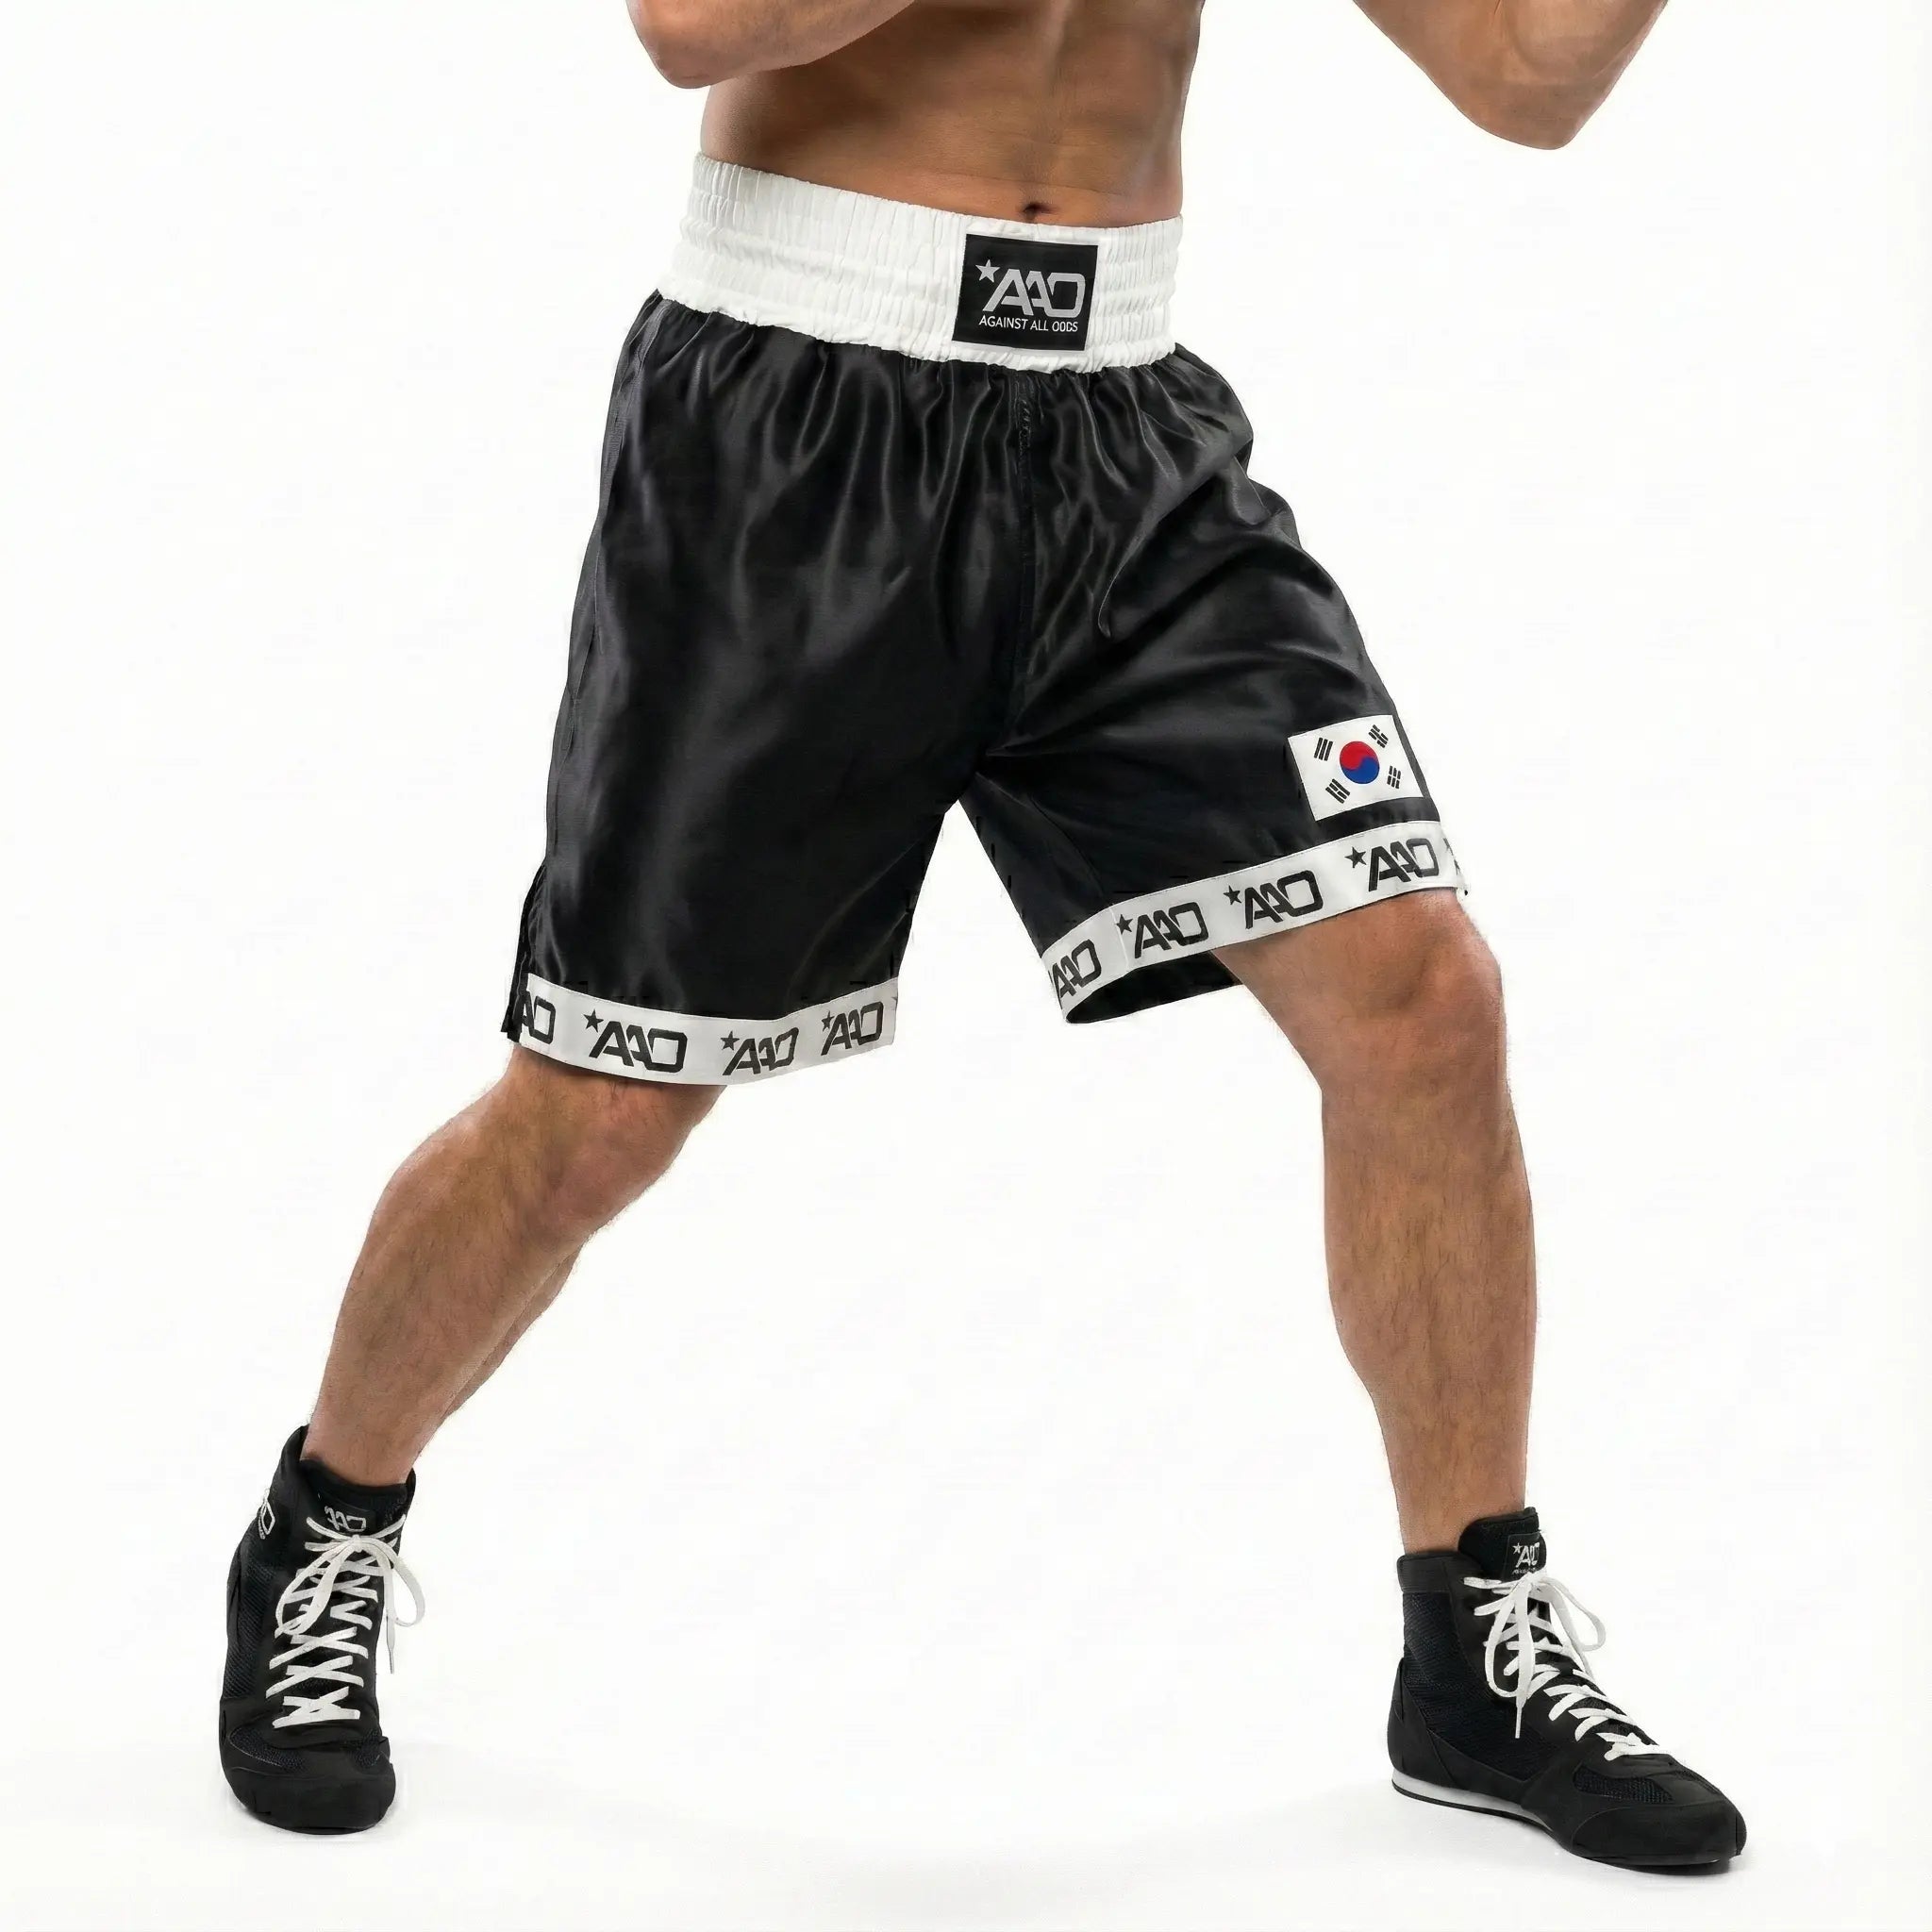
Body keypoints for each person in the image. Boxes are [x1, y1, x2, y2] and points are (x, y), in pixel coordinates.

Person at [219, 0, 1744, 1870]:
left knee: (1421, 997)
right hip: (796, 426)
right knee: (604, 1110)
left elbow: (1528, 80)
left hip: (1124, 452)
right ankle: (328, 1518)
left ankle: (1472, 1648)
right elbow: (692, 28)